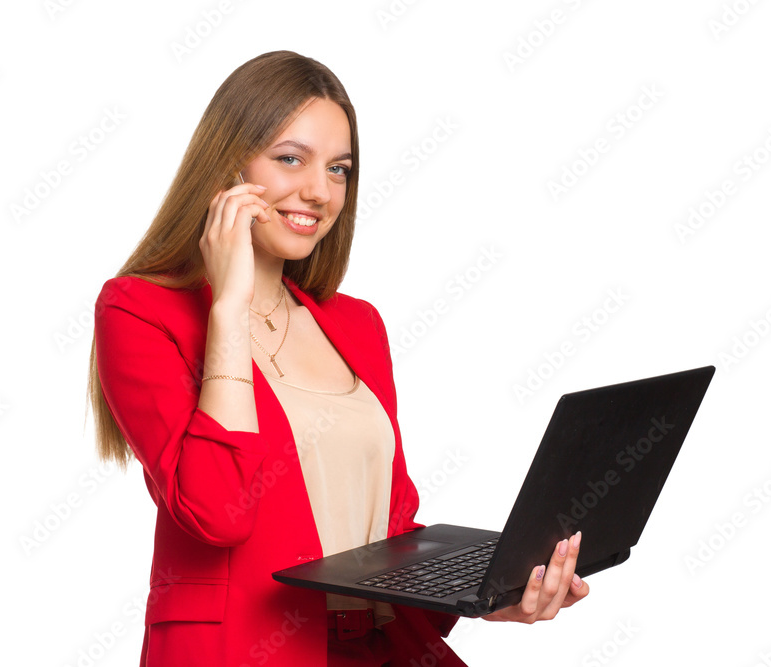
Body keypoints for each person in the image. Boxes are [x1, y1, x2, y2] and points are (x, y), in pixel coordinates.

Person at [87, 50, 589, 667]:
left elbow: (388, 534)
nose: (319, 192)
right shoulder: (140, 311)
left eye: (340, 169)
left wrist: (495, 592)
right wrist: (230, 308)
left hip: (380, 650)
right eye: (290, 159)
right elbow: (216, 511)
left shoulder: (356, 325)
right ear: (226, 166)